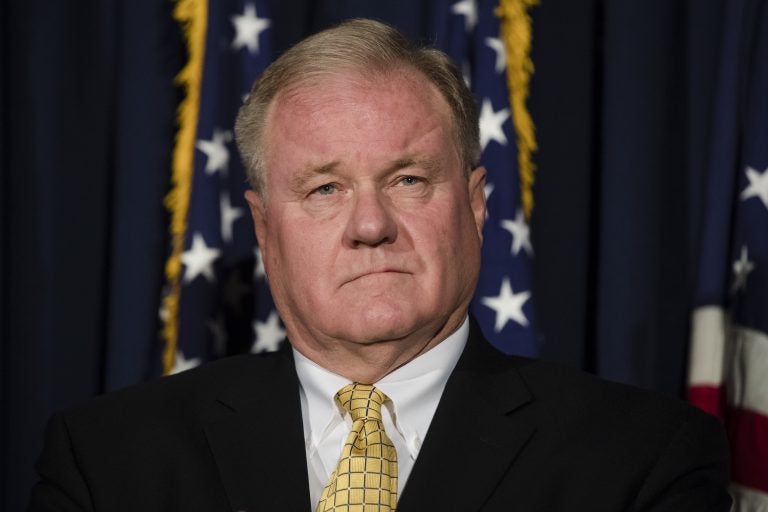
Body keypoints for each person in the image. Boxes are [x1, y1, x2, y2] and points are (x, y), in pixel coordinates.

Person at [29, 19, 730, 512]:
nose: (370, 226)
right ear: (265, 232)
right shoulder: (109, 460)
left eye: (409, 180)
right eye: (324, 189)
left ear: (478, 207)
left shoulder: (641, 460)